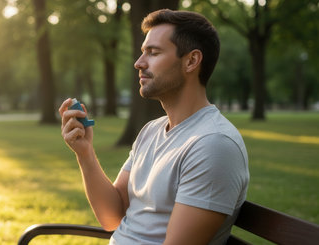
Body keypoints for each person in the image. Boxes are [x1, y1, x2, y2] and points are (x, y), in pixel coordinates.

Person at [59, 9, 249, 245]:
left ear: (191, 61)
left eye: (153, 52)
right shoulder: (152, 130)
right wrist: (85, 153)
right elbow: (113, 217)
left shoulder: (213, 144)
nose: (139, 63)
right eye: (142, 53)